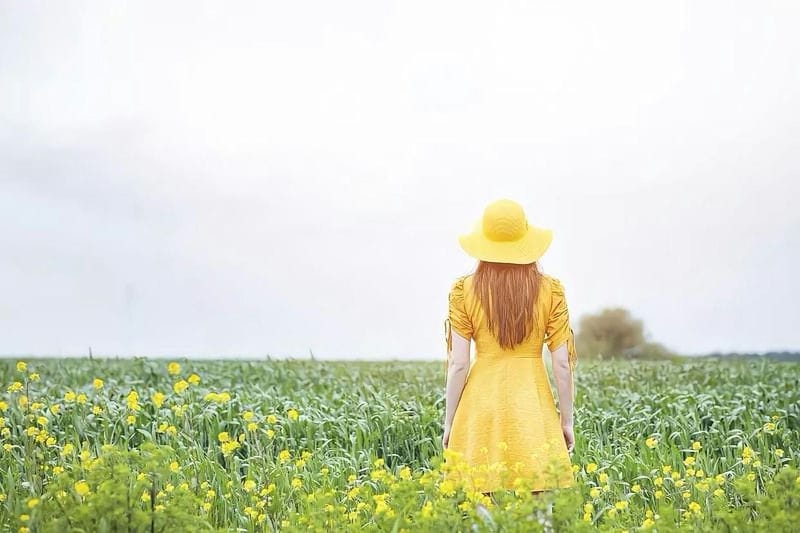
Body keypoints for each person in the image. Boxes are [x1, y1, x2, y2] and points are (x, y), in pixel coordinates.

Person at [442, 198, 578, 501]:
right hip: (533, 402)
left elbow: (458, 364)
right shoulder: (551, 289)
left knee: (482, 499)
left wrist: (450, 422)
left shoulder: (463, 290)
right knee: (540, 504)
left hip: (480, 403)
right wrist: (566, 421)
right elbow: (563, 364)